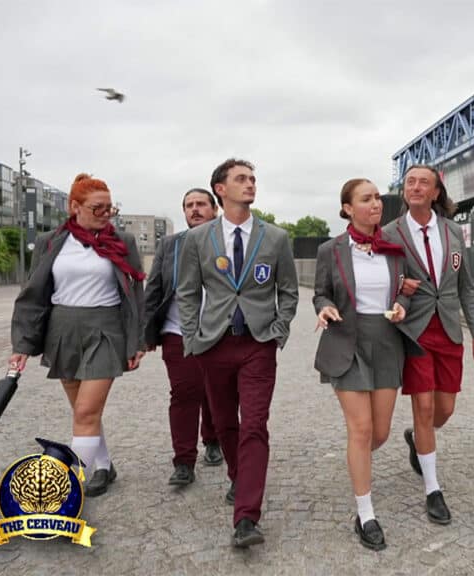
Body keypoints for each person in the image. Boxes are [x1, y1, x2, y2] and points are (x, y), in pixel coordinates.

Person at [176, 158, 299, 548]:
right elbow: (188, 292)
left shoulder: (276, 237)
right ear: (220, 189)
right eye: (241, 179)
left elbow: (290, 291)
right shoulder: (198, 239)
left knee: (254, 425)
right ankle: (236, 475)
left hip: (258, 346)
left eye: (253, 179)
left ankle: (247, 517)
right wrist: (193, 338)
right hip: (215, 343)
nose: (250, 185)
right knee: (226, 424)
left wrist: (278, 330)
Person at [9, 173, 146, 497]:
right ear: (75, 207)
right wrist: (22, 345)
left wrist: (137, 340)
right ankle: (103, 465)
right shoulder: (50, 242)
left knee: (86, 410)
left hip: (105, 329)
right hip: (63, 332)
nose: (106, 214)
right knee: (83, 412)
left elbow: (135, 294)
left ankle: (68, 487)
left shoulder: (122, 242)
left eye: (110, 208)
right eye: (98, 207)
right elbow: (35, 293)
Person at [313, 178, 420, 551]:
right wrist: (323, 307)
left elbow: (405, 293)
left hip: (388, 343)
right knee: (360, 430)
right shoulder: (331, 249)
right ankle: (366, 512)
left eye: (377, 197)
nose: (375, 204)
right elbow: (322, 291)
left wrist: (402, 307)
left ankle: (356, 460)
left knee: (380, 433)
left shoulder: (394, 250)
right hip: (347, 341)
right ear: (347, 208)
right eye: (366, 199)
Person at [382, 164, 474, 525]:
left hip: (449, 332)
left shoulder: (453, 232)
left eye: (422, 182)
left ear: (436, 192)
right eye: (409, 182)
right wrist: (399, 289)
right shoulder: (389, 233)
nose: (415, 187)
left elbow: (466, 287)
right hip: (414, 331)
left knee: (445, 409)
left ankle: (415, 438)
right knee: (424, 408)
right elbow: (379, 281)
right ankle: (432, 488)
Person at [144, 188, 224, 489]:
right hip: (178, 330)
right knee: (184, 392)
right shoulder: (170, 245)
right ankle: (184, 461)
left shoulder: (227, 241)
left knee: (215, 391)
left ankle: (213, 439)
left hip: (220, 330)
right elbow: (154, 288)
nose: (194, 209)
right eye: (189, 205)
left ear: (214, 209)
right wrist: (146, 333)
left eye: (201, 204)